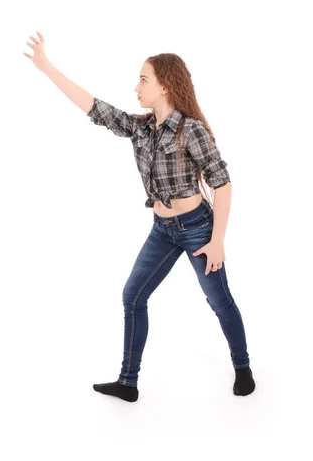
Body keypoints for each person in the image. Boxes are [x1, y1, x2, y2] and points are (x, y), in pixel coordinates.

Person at [23, 32, 255, 402]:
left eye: (143, 79)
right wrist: (47, 67)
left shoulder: (190, 130)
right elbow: (95, 108)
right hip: (163, 229)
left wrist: (217, 241)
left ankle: (243, 366)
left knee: (219, 301)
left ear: (164, 86)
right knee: (132, 296)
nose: (136, 87)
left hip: (197, 229)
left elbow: (222, 184)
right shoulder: (141, 128)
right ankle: (127, 383)